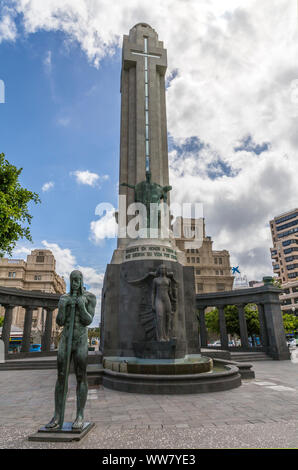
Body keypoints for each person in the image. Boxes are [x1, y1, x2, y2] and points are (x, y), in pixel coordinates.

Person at [45, 270, 96, 430]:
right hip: (66, 337)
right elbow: (60, 322)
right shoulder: (64, 298)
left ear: (81, 281)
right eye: (72, 280)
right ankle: (57, 415)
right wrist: (62, 307)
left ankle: (80, 415)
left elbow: (88, 320)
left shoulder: (89, 297)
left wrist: (81, 305)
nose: (74, 283)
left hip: (80, 338)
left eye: (77, 280)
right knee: (61, 376)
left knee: (81, 376)